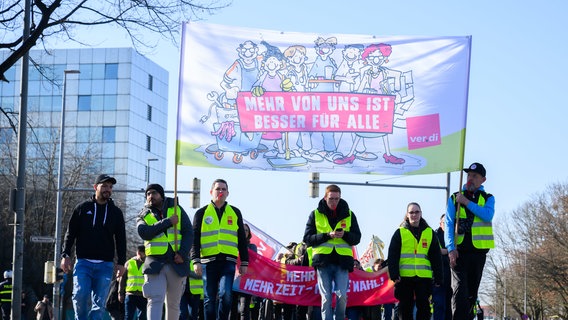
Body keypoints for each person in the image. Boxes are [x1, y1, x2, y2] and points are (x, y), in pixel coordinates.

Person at [60, 174, 127, 320]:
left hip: (105, 265)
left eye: (110, 187)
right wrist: (65, 255)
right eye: (104, 186)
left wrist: (121, 262)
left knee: (99, 305)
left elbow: (121, 239)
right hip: (83, 262)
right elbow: (70, 234)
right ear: (95, 187)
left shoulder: (116, 213)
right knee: (80, 295)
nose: (108, 190)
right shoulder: (82, 208)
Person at [190, 179, 249, 320]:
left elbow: (242, 238)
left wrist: (245, 261)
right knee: (209, 299)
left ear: (228, 193)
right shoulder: (201, 213)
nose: (220, 192)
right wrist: (195, 260)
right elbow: (195, 239)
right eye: (218, 189)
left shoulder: (235, 212)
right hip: (207, 263)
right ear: (211, 192)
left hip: (228, 262)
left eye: (223, 189)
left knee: (226, 295)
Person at [303, 184, 362, 320]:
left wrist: (345, 235)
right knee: (326, 298)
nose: (334, 202)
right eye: (331, 199)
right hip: (323, 262)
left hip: (342, 262)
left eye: (337, 199)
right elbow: (307, 238)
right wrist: (327, 235)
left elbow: (357, 238)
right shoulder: (315, 214)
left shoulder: (349, 214)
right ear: (325, 198)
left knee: (342, 296)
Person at [445, 163, 495, 319]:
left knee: (471, 295)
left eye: (475, 176)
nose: (470, 179)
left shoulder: (488, 198)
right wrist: (451, 248)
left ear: (483, 179)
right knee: (460, 293)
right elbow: (448, 223)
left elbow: (487, 215)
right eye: (469, 175)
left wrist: (467, 203)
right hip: (459, 253)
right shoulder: (455, 197)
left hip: (478, 254)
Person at [137, 183, 193, 320]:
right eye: (148, 194)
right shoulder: (143, 215)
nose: (151, 196)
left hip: (177, 263)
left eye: (154, 193)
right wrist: (168, 222)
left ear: (161, 195)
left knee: (173, 304)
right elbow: (144, 233)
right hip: (154, 265)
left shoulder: (177, 209)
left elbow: (189, 232)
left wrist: (183, 253)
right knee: (155, 300)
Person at [387, 202, 443, 320]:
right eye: (411, 212)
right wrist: (394, 274)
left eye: (417, 212)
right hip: (404, 277)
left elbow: (436, 256)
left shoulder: (429, 232)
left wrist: (438, 276)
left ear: (421, 214)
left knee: (424, 307)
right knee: (405, 307)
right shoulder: (400, 232)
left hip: (423, 277)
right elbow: (393, 255)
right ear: (407, 215)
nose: (414, 215)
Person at [431, 214, 452, 320]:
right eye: (445, 223)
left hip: (452, 276)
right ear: (440, 224)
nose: (447, 225)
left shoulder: (455, 236)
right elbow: (436, 251)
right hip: (439, 276)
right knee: (439, 305)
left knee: (450, 306)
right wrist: (451, 251)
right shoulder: (435, 236)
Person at [119, 245, 147, 320]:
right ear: (137, 252)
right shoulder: (129, 263)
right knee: (128, 317)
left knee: (142, 318)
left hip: (143, 295)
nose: (141, 255)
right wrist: (120, 293)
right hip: (130, 294)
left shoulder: (147, 264)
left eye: (143, 254)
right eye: (140, 253)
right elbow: (123, 279)